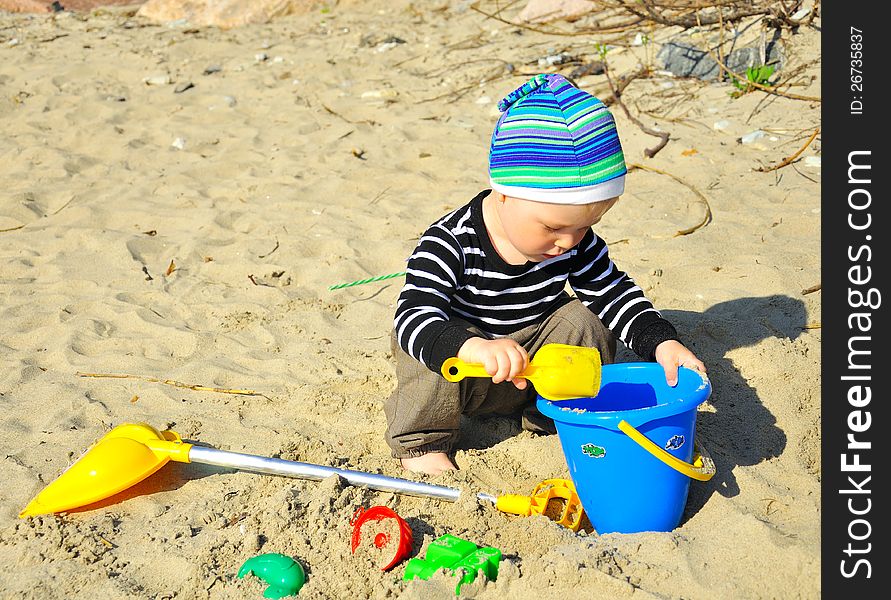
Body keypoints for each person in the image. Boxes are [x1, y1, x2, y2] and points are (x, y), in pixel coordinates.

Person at [385, 74, 706, 475]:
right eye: (552, 228)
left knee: (587, 319)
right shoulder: (450, 243)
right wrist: (472, 348)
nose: (568, 242)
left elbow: (613, 294)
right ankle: (423, 442)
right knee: (424, 345)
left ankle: (553, 415)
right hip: (465, 371)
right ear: (503, 192)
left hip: (535, 367)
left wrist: (661, 343)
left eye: (586, 226)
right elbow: (413, 317)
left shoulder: (572, 242)